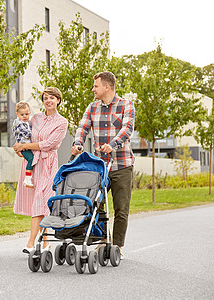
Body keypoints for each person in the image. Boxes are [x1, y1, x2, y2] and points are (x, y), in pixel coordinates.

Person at [70, 71, 135, 259]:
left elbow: (127, 128)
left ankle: (117, 246)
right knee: (95, 204)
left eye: (96, 86)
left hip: (122, 164)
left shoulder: (126, 105)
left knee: (121, 209)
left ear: (107, 86)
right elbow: (82, 127)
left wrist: (113, 144)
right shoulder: (92, 107)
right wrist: (78, 143)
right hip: (100, 166)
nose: (93, 89)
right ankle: (103, 241)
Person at [13, 87, 68, 254]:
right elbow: (24, 134)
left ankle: (30, 243)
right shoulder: (35, 117)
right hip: (33, 164)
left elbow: (49, 144)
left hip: (48, 164)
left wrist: (25, 146)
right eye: (45, 98)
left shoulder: (62, 122)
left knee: (41, 200)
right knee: (41, 204)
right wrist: (19, 148)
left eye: (52, 97)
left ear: (58, 100)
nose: (48, 100)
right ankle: (45, 243)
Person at [12, 101, 34, 188]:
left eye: (26, 114)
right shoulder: (19, 124)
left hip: (26, 146)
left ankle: (29, 178)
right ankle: (27, 178)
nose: (25, 116)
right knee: (31, 159)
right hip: (24, 147)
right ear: (17, 114)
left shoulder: (27, 123)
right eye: (22, 115)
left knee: (32, 159)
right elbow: (28, 134)